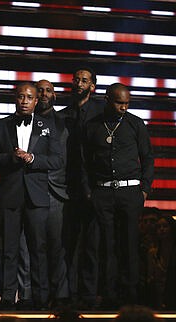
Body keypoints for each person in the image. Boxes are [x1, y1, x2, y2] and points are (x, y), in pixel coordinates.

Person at [81, 83, 154, 307]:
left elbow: (148, 158)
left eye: (126, 104)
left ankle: (130, 294)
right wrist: (89, 192)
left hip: (130, 192)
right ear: (107, 99)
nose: (123, 107)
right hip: (102, 192)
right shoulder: (93, 125)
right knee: (106, 245)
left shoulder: (135, 123)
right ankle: (109, 294)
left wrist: (144, 190)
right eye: (119, 103)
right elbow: (84, 162)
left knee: (130, 244)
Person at [0, 82, 62, 310]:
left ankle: (41, 299)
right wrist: (12, 158)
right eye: (20, 96)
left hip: (37, 197)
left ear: (36, 101)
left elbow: (57, 160)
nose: (24, 100)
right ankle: (7, 298)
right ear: (15, 99)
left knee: (38, 250)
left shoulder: (48, 126)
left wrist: (33, 158)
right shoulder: (1, 125)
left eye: (29, 97)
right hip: (10, 195)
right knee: (9, 250)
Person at [57, 67, 102, 306]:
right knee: (68, 242)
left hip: (95, 187)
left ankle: (89, 293)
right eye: (76, 79)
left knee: (92, 244)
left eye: (84, 80)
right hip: (68, 186)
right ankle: (69, 293)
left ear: (92, 86)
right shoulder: (64, 114)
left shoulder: (101, 113)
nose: (79, 83)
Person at [35, 79, 70, 306]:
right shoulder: (24, 119)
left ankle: (62, 296)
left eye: (49, 90)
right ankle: (38, 296)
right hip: (32, 190)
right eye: (41, 90)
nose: (45, 94)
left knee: (58, 247)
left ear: (54, 95)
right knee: (35, 248)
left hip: (58, 191)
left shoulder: (65, 121)